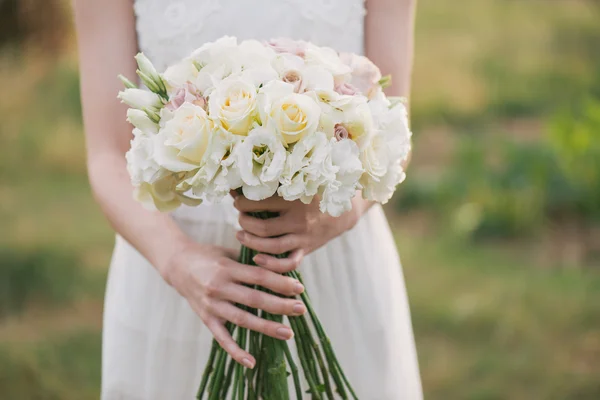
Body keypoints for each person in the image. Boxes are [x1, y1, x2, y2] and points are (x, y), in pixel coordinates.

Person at [73, 0, 422, 398]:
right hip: (174, 268)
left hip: (333, 258)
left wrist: (340, 212)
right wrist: (178, 259)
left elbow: (394, 126)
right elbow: (107, 153)